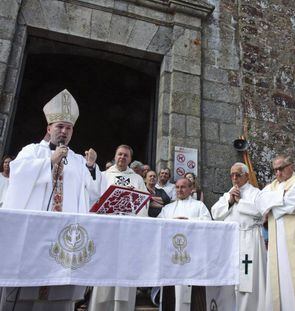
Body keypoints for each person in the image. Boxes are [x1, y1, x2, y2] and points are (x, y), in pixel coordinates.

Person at [1, 89, 106, 311]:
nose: (64, 132)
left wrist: (90, 166)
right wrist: (49, 161)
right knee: (23, 298)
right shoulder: (32, 151)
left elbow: (93, 191)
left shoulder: (77, 160)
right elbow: (17, 176)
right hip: (34, 236)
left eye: (68, 128)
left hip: (65, 238)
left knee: (59, 299)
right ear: (49, 128)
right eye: (59, 127)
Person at [90, 145, 148, 311]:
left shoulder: (137, 179)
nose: (122, 157)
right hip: (107, 231)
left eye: (126, 155)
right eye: (120, 154)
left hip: (128, 232)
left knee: (125, 269)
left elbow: (144, 203)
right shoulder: (103, 176)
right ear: (115, 156)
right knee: (104, 269)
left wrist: (137, 225)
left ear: (130, 159)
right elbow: (94, 199)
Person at [207, 162, 266, 311]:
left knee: (247, 283)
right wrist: (230, 201)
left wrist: (240, 202)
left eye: (238, 174)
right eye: (232, 175)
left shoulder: (255, 193)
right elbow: (215, 214)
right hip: (230, 243)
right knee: (229, 283)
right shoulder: (228, 194)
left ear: (246, 175)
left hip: (249, 240)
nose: (234, 178)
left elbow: (261, 212)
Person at [256, 155, 295, 311]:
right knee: (278, 276)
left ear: (291, 166)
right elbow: (259, 203)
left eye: (281, 168)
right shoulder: (271, 186)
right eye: (275, 170)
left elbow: (292, 205)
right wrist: (280, 198)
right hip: (275, 238)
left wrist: (271, 205)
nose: (278, 173)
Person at [158, 178, 211, 311]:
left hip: (193, 257)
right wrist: (171, 221)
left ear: (190, 189)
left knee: (194, 296)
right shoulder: (167, 208)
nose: (179, 190)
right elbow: (158, 226)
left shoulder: (199, 206)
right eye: (177, 187)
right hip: (172, 257)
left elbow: (208, 223)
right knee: (171, 295)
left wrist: (189, 220)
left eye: (183, 187)